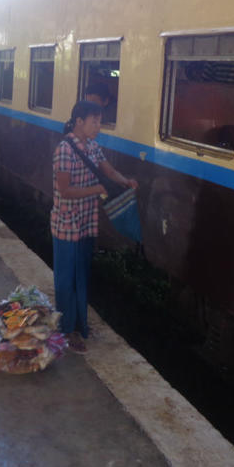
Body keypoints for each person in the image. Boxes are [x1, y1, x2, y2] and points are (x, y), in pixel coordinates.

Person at [51, 100, 137, 354]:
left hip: (87, 223)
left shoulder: (93, 147)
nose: (99, 126)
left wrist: (126, 181)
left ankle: (80, 324)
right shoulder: (64, 150)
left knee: (81, 277)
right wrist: (97, 190)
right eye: (95, 121)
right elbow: (64, 191)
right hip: (67, 224)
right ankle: (67, 329)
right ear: (79, 122)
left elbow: (108, 170)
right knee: (66, 279)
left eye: (100, 121)